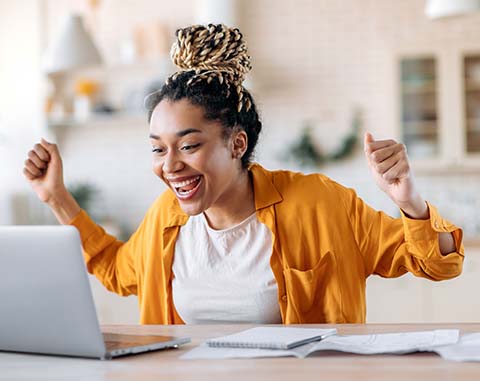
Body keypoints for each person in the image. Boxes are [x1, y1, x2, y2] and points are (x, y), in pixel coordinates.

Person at [23, 24, 463, 325]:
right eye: (158, 148)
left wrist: (410, 201)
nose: (170, 165)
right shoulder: (167, 219)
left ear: (237, 144)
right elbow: (118, 270)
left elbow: (435, 263)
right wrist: (56, 197)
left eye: (189, 145)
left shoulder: (319, 201)